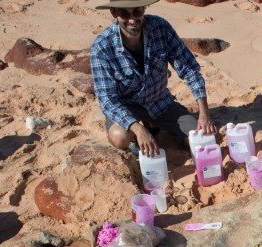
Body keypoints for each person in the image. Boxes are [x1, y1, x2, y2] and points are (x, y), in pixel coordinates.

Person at [91, 0, 216, 157]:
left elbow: (189, 68)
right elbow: (107, 100)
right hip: (127, 107)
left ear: (144, 8)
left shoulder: (161, 28)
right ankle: (137, 135)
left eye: (136, 12)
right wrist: (137, 128)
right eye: (124, 14)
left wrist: (204, 113)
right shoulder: (102, 47)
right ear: (114, 13)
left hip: (159, 101)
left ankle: (153, 124)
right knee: (119, 138)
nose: (132, 20)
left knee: (198, 137)